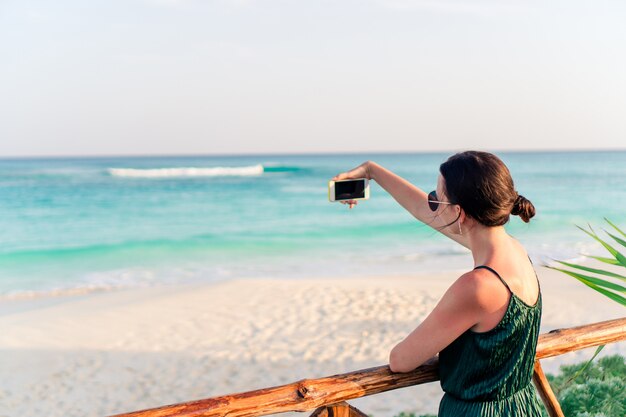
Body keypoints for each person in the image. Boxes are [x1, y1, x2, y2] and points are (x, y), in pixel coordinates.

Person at [332, 151, 542, 416]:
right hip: (523, 406)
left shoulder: (477, 286)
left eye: (437, 197)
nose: (432, 202)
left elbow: (401, 360)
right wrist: (371, 171)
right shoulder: (515, 251)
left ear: (459, 213)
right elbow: (424, 210)